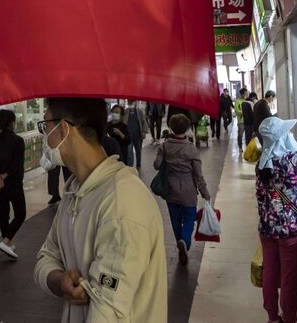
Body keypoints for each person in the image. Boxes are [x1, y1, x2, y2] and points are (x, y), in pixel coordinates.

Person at [34, 97, 167, 321]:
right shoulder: (74, 190)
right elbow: (46, 256)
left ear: (63, 129)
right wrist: (59, 280)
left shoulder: (122, 203)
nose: (45, 135)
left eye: (45, 126)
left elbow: (107, 311)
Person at [256, 117, 297, 323]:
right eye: (286, 133)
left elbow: (262, 197)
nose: (290, 134)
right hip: (290, 230)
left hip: (267, 229)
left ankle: (273, 317)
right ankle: (289, 318)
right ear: (281, 138)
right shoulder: (292, 160)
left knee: (270, 274)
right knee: (290, 278)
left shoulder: (262, 164)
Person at [153, 115, 210, 266]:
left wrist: (162, 154)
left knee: (175, 220)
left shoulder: (164, 147)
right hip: (188, 191)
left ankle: (180, 242)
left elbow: (156, 165)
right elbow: (198, 175)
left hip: (170, 190)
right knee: (189, 219)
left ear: (171, 127)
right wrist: (205, 192)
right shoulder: (191, 149)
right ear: (187, 128)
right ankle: (184, 241)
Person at [0, 109, 26, 260]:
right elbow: (16, 164)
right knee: (20, 214)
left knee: (3, 213)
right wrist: (4, 176)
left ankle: (6, 243)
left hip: (0, 186)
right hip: (14, 183)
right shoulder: (18, 141)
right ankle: (6, 241)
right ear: (11, 122)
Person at [125, 101, 149, 169]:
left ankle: (138, 163)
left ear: (135, 103)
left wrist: (144, 132)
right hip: (128, 135)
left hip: (137, 135)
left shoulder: (140, 112)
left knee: (138, 149)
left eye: (131, 102)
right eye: (129, 103)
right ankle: (130, 165)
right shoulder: (125, 112)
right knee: (129, 150)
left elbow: (144, 122)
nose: (130, 104)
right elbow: (119, 119)